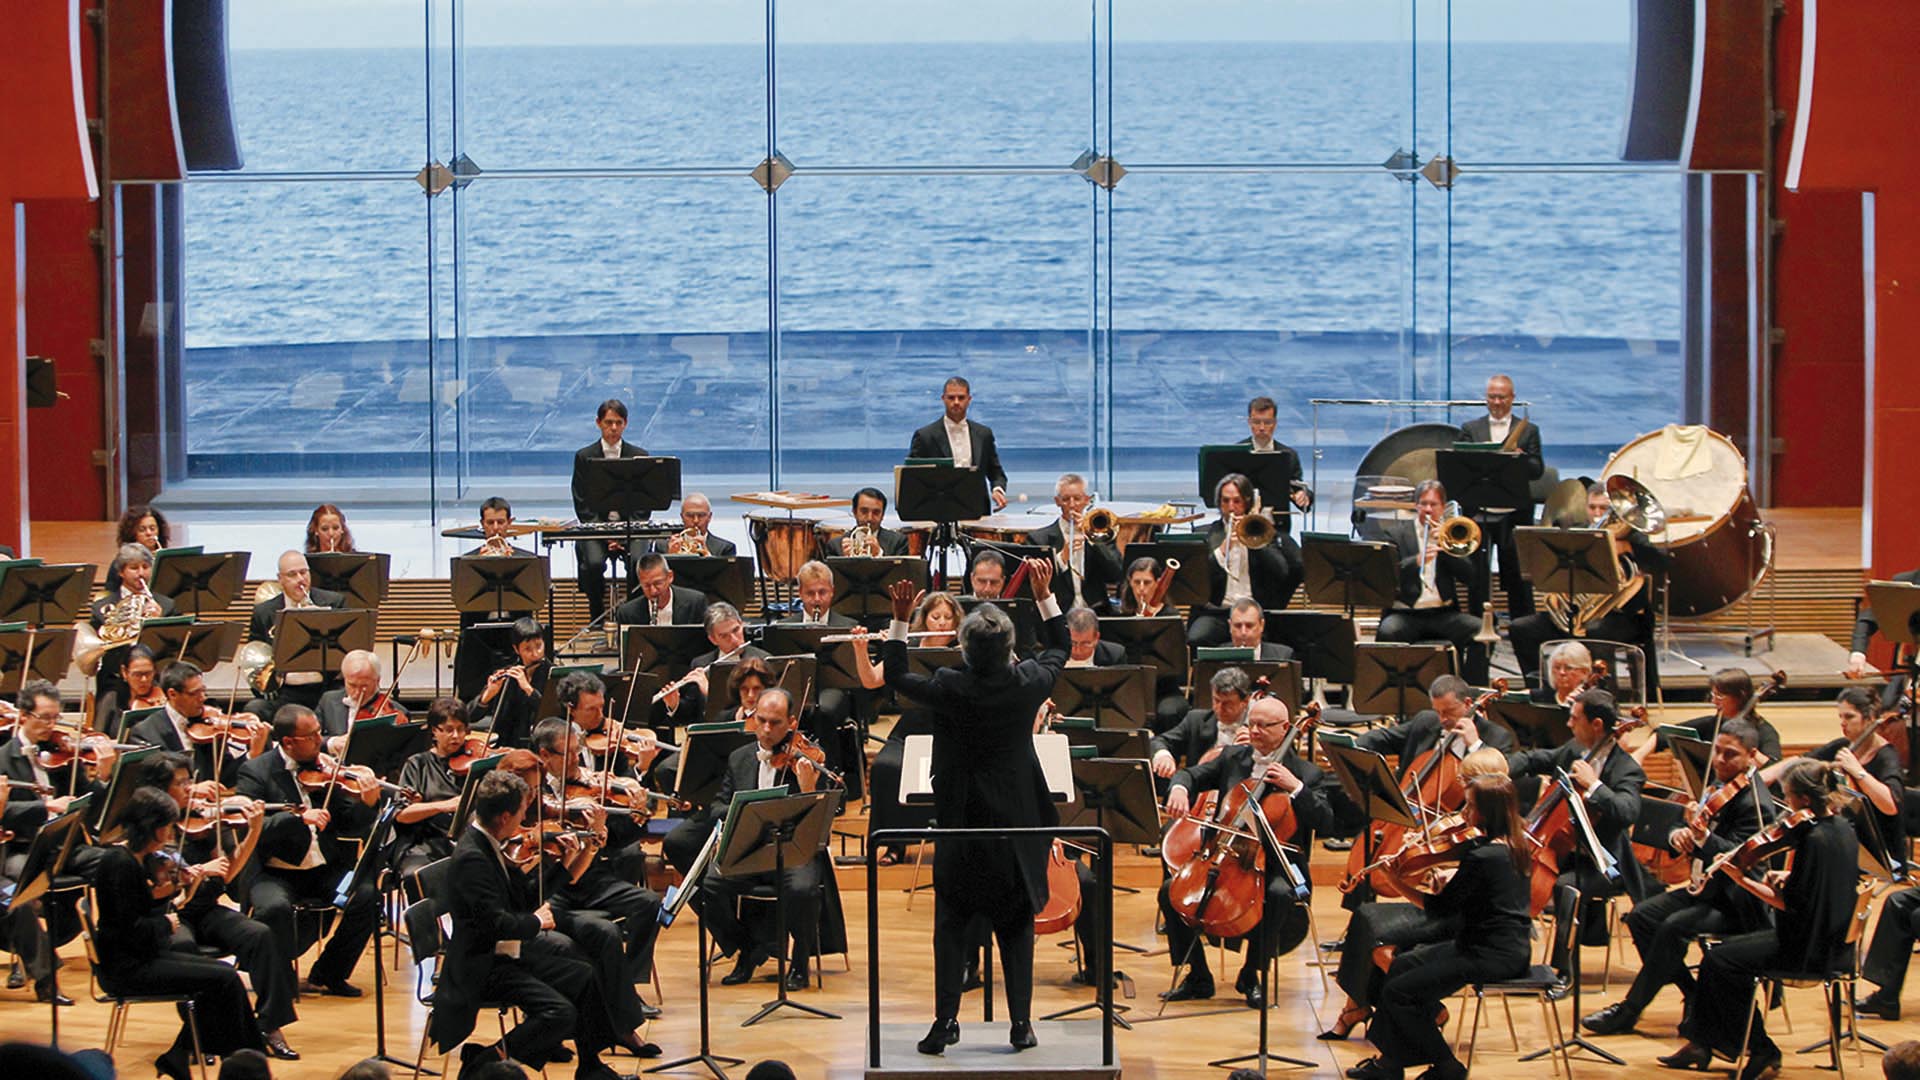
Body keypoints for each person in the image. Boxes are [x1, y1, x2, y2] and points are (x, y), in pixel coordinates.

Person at [882, 559, 1065, 1054]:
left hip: (961, 825)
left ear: (963, 646)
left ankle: (946, 1023)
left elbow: (895, 673)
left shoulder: (949, 685)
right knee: (1016, 926)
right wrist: (1044, 596)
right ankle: (1022, 1025)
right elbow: (1061, 647)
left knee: (951, 926)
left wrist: (901, 617)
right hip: (1017, 828)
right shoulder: (1028, 682)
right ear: (1009, 649)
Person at [1658, 760, 1862, 1079]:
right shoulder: (1841, 828)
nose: (1787, 804)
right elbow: (1824, 881)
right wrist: (1787, 874)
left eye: (1789, 796)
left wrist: (1742, 880)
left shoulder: (1811, 839)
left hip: (1806, 949)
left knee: (1720, 961)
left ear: (1805, 800)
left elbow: (1786, 904)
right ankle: (1704, 1043)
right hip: (1835, 942)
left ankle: (1761, 1049)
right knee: (1721, 957)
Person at [1581, 719, 1775, 1036]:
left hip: (1736, 900)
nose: (1721, 761)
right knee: (1642, 917)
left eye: (1732, 755)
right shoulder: (1716, 786)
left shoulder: (1757, 802)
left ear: (1752, 756)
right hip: (1705, 889)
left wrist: (1702, 838)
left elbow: (1739, 856)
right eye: (1719, 753)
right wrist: (1680, 835)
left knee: (1672, 928)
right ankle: (1694, 996)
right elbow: (1686, 826)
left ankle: (1630, 1011)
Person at [428, 769, 625, 1080]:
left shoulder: (489, 842)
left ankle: (590, 1068)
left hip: (502, 952)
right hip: (480, 965)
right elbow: (495, 923)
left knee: (584, 976)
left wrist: (566, 862)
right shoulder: (473, 858)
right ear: (506, 816)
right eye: (522, 810)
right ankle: (484, 1061)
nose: (526, 818)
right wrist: (536, 923)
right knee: (559, 1013)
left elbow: (526, 895)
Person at [1343, 774, 1535, 1080]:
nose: (1463, 814)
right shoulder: (1514, 844)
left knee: (1399, 993)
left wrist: (1396, 881)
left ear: (1485, 812)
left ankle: (1447, 1066)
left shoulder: (1484, 856)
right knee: (1399, 965)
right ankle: (1390, 1063)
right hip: (1497, 945)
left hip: (1490, 954)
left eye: (1470, 806)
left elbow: (1439, 910)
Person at [1321, 747, 1513, 1042]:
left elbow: (1470, 888)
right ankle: (1356, 1006)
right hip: (1451, 906)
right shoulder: (1471, 820)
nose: (1460, 785)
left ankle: (1379, 1008)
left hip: (1460, 921)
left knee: (1375, 935)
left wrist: (1404, 879)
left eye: (1465, 780)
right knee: (1365, 917)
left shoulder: (1494, 833)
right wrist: (1437, 868)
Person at [1159, 695, 1330, 1008]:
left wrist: (1296, 789)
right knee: (1171, 891)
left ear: (1286, 728)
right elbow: (1191, 775)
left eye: (1264, 726)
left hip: (1280, 862)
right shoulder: (1233, 757)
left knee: (1277, 895)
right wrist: (1180, 788)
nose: (1255, 731)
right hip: (1226, 855)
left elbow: (1326, 820)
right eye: (1251, 724)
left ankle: (1252, 973)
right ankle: (1198, 975)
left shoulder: (1306, 773)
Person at [93, 788, 266, 1079]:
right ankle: (243, 1064)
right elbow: (127, 929)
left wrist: (177, 889)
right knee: (222, 980)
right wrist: (167, 924)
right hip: (127, 967)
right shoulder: (119, 864)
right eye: (168, 825)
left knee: (225, 979)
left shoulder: (134, 859)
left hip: (142, 955)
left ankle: (208, 1058)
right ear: (153, 827)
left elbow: (141, 908)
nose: (172, 832)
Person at [139, 753, 301, 1059]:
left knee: (260, 934)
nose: (191, 788)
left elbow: (228, 871)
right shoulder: (150, 827)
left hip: (205, 909)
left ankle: (270, 1025)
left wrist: (252, 831)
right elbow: (165, 887)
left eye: (190, 780)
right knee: (184, 950)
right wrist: (197, 873)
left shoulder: (203, 818)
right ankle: (199, 1035)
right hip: (171, 914)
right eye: (182, 782)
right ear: (160, 789)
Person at [693, 687, 840, 989]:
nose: (766, 729)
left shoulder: (808, 759)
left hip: (794, 851)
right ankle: (746, 948)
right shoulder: (739, 758)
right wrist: (736, 816)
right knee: (709, 886)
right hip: (750, 849)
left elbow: (824, 820)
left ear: (792, 722)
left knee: (802, 889)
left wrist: (809, 788)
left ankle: (800, 962)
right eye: (761, 720)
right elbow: (717, 806)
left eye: (775, 722)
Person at [524, 719, 664, 1036]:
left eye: (578, 752)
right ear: (545, 756)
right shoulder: (533, 793)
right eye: (569, 754)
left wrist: (637, 813)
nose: (578, 761)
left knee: (649, 904)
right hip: (554, 887)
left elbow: (617, 838)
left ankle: (626, 987)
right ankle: (614, 996)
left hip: (593, 880)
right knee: (599, 933)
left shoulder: (591, 785)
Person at [234, 704, 381, 999]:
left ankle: (329, 973)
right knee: (274, 908)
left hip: (322, 872)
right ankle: (278, 974)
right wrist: (298, 817)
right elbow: (250, 826)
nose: (320, 740)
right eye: (312, 736)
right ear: (289, 742)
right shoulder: (256, 772)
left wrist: (368, 802)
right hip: (273, 873)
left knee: (364, 897)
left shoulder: (324, 770)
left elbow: (349, 822)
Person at [1506, 688, 1646, 972]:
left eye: (1574, 718)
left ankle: (1564, 972)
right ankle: (1511, 957)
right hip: (1565, 854)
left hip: (1603, 864)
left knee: (1565, 886)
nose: (1568, 724)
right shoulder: (1575, 750)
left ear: (1596, 725)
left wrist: (1595, 785)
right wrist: (1499, 768)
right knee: (1507, 869)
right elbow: (1536, 759)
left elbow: (1627, 812)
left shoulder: (1626, 769)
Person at [1, 680, 107, 1005]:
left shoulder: (63, 755)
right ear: (23, 715)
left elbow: (92, 805)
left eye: (55, 718)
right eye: (44, 718)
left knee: (113, 864)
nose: (51, 726)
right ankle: (44, 975)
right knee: (21, 891)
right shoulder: (3, 758)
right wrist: (43, 807)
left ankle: (115, 957)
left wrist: (102, 774)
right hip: (22, 847)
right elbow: (5, 812)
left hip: (64, 845)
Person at [1508, 482, 1669, 690]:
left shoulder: (1634, 536)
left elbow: (1662, 563)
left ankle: (1604, 700)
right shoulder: (1579, 532)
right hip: (1577, 614)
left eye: (1603, 509)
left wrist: (1629, 548)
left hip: (1623, 618)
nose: (1597, 514)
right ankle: (1545, 692)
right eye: (1592, 507)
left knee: (1596, 632)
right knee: (1521, 629)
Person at [850, 593, 960, 866]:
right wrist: (860, 650)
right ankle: (893, 844)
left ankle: (954, 841)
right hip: (912, 729)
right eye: (936, 617)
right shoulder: (907, 646)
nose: (941, 623)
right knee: (885, 766)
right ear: (924, 619)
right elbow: (870, 680)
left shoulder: (964, 651)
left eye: (948, 618)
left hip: (952, 732)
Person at [1760, 686, 1906, 875]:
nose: (1843, 723)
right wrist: (1758, 779)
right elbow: (1800, 760)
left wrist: (1858, 771)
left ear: (1870, 718)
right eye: (1841, 717)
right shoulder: (1844, 745)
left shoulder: (1887, 756)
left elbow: (1891, 805)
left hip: (1875, 847)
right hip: (1845, 835)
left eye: (1849, 717)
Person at [1374, 479, 1490, 685]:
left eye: (1433, 504)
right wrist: (1416, 561)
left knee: (1482, 632)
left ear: (1443, 507)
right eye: (1424, 503)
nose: (1428, 509)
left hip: (1442, 614)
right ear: (1416, 505)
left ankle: (1471, 691)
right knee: (1387, 631)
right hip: (1406, 614)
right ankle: (1393, 694)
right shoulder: (1396, 534)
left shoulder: (1452, 534)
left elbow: (1470, 578)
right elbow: (1386, 575)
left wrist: (1447, 550)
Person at [1453, 374, 1545, 620]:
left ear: (1512, 398)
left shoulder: (1528, 431)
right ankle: (1476, 627)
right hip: (1479, 512)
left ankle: (1523, 627)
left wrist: (1520, 459)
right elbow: (1458, 466)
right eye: (1492, 397)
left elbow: (1537, 470)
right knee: (1477, 576)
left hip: (1514, 513)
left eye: (1502, 397)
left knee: (1517, 575)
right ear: (1486, 399)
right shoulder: (1470, 429)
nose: (1497, 402)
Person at [1189, 472, 1302, 646]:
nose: (1231, 507)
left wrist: (1253, 542)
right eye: (1225, 501)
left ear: (1247, 502)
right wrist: (1223, 550)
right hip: (1218, 612)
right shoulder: (1204, 535)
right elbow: (1197, 579)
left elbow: (1281, 572)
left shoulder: (1263, 532)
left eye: (1237, 501)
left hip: (1256, 613)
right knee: (1197, 637)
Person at [130, 660, 267, 790]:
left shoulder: (210, 725)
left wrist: (252, 754)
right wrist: (190, 789)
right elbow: (153, 786)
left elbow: (225, 776)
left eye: (203, 690)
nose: (203, 698)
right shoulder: (146, 733)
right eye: (194, 693)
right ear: (173, 694)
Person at [244, 550, 348, 720]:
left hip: (326, 689)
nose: (301, 579)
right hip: (286, 692)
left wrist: (321, 621)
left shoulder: (334, 602)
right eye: (292, 574)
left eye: (304, 572)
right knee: (254, 708)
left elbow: (347, 649)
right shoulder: (264, 612)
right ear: (280, 579)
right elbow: (255, 661)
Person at [572, 398, 649, 624]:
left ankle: (634, 619)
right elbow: (581, 501)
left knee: (638, 561)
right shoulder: (584, 457)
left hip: (631, 528)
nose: (613, 428)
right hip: (597, 527)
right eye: (608, 422)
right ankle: (596, 615)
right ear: (598, 423)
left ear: (625, 424)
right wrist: (606, 533)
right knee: (594, 563)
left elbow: (645, 503)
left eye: (618, 422)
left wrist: (625, 532)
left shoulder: (640, 455)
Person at [391, 698, 474, 878]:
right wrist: (445, 805)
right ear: (435, 731)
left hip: (468, 842)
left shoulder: (475, 761)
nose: (456, 736)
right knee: (416, 875)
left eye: (461, 729)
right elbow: (402, 814)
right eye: (449, 729)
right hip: (427, 843)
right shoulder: (417, 764)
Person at [1635, 667, 1783, 767]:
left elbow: (1774, 768)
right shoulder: (1715, 723)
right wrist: (1639, 755)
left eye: (1719, 696)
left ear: (1740, 696)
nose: (1714, 701)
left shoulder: (1765, 732)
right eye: (1713, 695)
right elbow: (1664, 733)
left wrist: (1749, 756)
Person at [90, 542, 176, 708]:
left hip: (154, 681)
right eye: (134, 568)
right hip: (115, 682)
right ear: (121, 572)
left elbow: (173, 647)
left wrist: (159, 621)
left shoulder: (166, 605)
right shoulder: (102, 607)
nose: (141, 574)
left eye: (145, 567)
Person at [1023, 473, 1122, 613]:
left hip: (1096, 612)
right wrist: (1062, 558)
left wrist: (1092, 538)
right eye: (1065, 499)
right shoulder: (1038, 539)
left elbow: (1116, 574)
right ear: (1057, 501)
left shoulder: (1101, 534)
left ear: (1087, 500)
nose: (1072, 505)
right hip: (1058, 612)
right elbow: (1033, 584)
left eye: (1077, 498)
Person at [907, 375, 1008, 510]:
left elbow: (995, 472)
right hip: (938, 510)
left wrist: (997, 489)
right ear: (943, 399)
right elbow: (913, 477)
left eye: (961, 398)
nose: (956, 402)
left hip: (977, 508)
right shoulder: (925, 436)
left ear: (969, 399)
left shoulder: (984, 434)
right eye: (951, 398)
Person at [467, 617, 549, 749]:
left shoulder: (553, 674)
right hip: (506, 747)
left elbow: (552, 715)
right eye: (528, 649)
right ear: (516, 650)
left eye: (539, 646)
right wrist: (489, 694)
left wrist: (529, 689)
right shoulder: (508, 676)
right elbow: (470, 717)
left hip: (542, 748)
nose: (535, 654)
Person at [1846, 567, 1920, 712]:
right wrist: (1858, 655)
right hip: (1910, 674)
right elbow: (1867, 619)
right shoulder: (1906, 581)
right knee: (1884, 714)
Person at [1239, 395, 1314, 530]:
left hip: (1278, 528)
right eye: (1256, 422)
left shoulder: (1289, 455)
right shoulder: (1236, 453)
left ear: (1275, 423)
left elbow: (1297, 488)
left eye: (1267, 422)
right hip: (1242, 527)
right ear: (1249, 422)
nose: (1262, 428)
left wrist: (1303, 495)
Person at [315, 649, 408, 745]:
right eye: (352, 685)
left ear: (377, 680)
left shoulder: (397, 711)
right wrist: (331, 742)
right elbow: (311, 739)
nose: (357, 693)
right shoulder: (328, 700)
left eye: (364, 686)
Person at [612, 552, 709, 627]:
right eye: (646, 585)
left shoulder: (695, 603)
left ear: (670, 577)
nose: (653, 591)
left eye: (658, 583)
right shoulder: (627, 614)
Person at [92, 642, 165, 738]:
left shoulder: (163, 695)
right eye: (137, 674)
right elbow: (97, 736)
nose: (144, 680)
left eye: (148, 673)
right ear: (124, 672)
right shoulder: (111, 699)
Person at [818, 487, 911, 557]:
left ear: (882, 515)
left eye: (876, 512)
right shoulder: (835, 546)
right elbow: (830, 580)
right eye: (864, 511)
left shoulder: (898, 542)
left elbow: (900, 576)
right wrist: (844, 561)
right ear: (854, 512)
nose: (869, 518)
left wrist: (879, 554)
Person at [656, 492, 737, 557]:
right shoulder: (662, 546)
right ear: (682, 517)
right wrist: (670, 557)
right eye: (690, 515)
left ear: (709, 517)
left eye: (701, 515)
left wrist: (709, 557)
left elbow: (727, 576)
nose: (695, 520)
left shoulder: (725, 548)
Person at [1531, 640, 1594, 707]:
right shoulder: (1538, 698)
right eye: (1557, 667)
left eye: (1568, 668)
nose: (1562, 672)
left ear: (1584, 672)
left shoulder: (1591, 702)